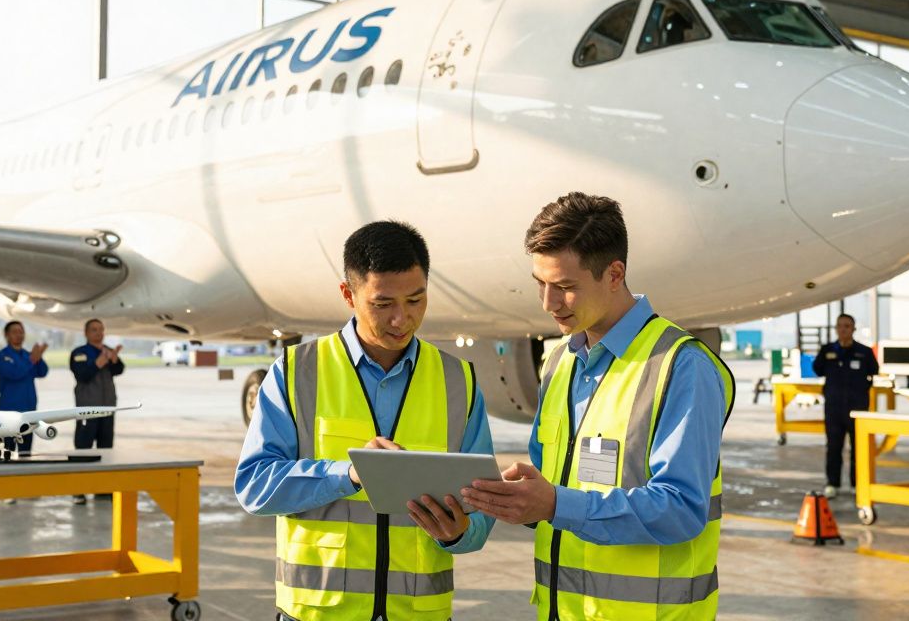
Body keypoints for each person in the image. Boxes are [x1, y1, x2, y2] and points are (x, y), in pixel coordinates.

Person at [461, 192, 735, 621]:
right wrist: (519, 498)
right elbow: (556, 488)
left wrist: (555, 504)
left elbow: (682, 509)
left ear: (614, 274)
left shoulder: (682, 366)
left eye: (565, 287)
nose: (548, 303)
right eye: (540, 284)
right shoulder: (558, 362)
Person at [234, 220, 494, 621]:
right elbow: (254, 486)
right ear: (348, 295)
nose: (402, 319)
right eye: (383, 304)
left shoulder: (458, 380)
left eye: (416, 300)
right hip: (318, 613)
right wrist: (349, 474)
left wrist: (459, 533)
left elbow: (482, 508)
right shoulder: (297, 371)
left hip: (418, 613)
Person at [813, 314, 879, 498]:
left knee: (858, 448)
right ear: (836, 328)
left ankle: (857, 483)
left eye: (847, 326)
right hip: (834, 408)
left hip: (857, 408)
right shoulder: (827, 350)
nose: (843, 330)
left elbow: (874, 371)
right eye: (840, 326)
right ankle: (832, 483)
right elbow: (817, 369)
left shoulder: (864, 352)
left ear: (853, 329)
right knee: (834, 447)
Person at [70, 318, 124, 504]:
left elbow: (119, 369)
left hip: (107, 409)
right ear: (86, 333)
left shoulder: (107, 350)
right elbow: (82, 375)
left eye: (101, 329)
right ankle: (78, 490)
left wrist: (114, 361)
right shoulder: (80, 353)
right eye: (94, 330)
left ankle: (103, 489)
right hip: (88, 409)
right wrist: (97, 363)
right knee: (83, 451)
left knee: (105, 450)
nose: (99, 333)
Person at [0, 320, 49, 457]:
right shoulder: (2, 356)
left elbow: (42, 372)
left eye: (21, 332)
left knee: (25, 453)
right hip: (8, 412)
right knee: (7, 452)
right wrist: (32, 360)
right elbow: (14, 374)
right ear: (6, 335)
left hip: (28, 411)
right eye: (15, 332)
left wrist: (38, 358)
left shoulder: (27, 355)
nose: (19, 335)